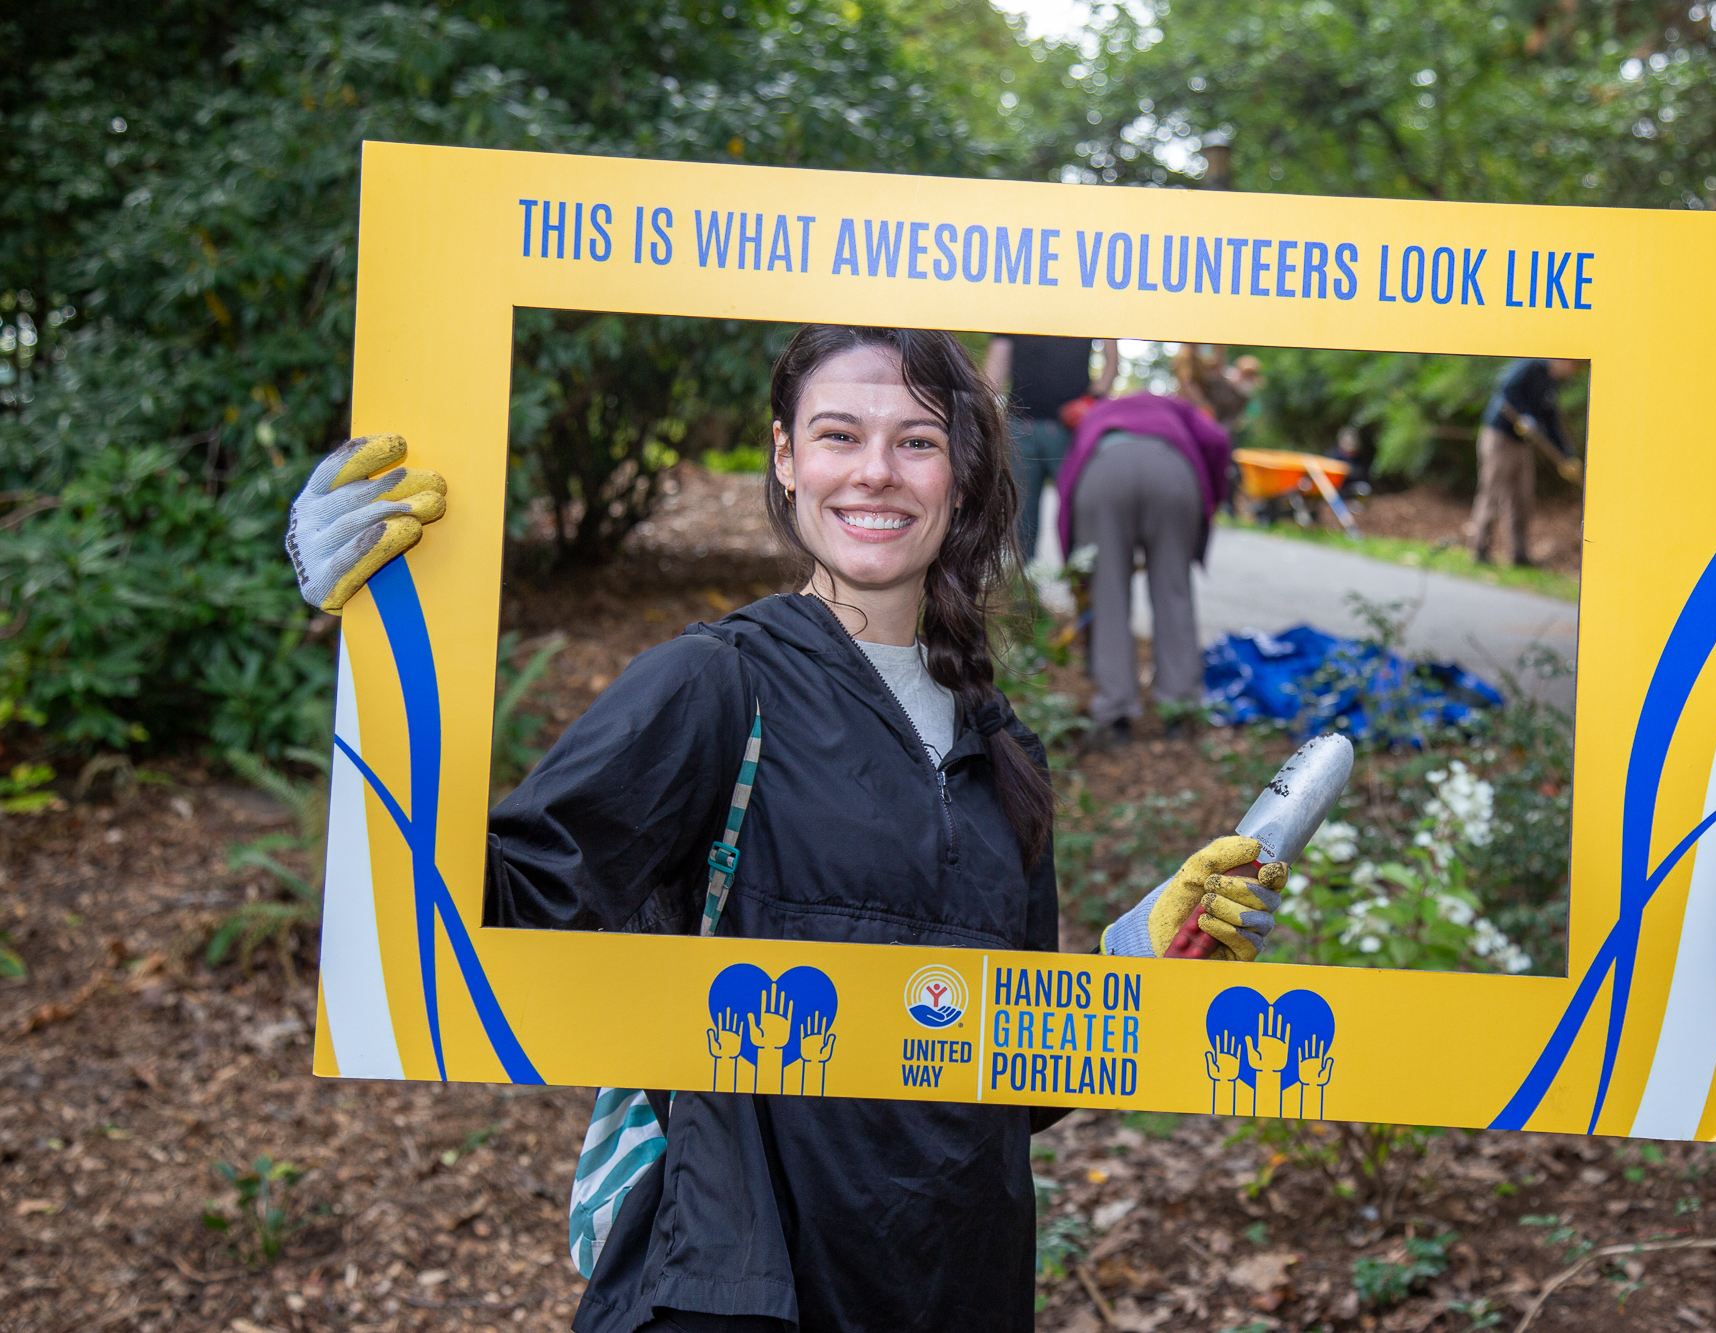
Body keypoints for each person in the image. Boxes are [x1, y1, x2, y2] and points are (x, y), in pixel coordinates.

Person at [283, 325, 1288, 1333]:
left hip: (958, 1291)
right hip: (744, 1294)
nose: (875, 472)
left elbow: (1004, 1075)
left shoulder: (1004, 749)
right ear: (785, 457)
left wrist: (1135, 963)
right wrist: (381, 650)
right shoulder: (715, 684)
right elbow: (473, 914)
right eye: (838, 434)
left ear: (961, 472)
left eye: (917, 441)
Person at [1054, 393, 1233, 746]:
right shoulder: (1175, 406)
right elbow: (1216, 439)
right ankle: (1180, 711)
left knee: (1107, 596)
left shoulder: (1098, 414)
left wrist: (1074, 565)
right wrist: (1212, 495)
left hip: (1104, 471)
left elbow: (1068, 479)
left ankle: (1115, 714)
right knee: (1173, 592)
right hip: (1171, 472)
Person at [982, 333, 1118, 561]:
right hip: (1019, 427)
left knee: (1079, 510)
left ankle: (1081, 576)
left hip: (1070, 427)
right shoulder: (1015, 313)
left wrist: (1091, 400)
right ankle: (1023, 579)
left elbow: (1112, 362)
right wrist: (979, 416)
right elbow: (994, 372)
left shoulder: (1091, 312)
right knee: (1020, 516)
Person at [1470, 357, 1582, 567]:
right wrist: (1524, 415)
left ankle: (1518, 555)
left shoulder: (1550, 383)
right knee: (1492, 493)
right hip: (1500, 437)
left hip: (1522, 444)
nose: (1572, 372)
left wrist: (1567, 456)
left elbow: (1551, 422)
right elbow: (1505, 388)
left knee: (1522, 497)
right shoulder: (1531, 366)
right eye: (1573, 365)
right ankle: (1480, 549)